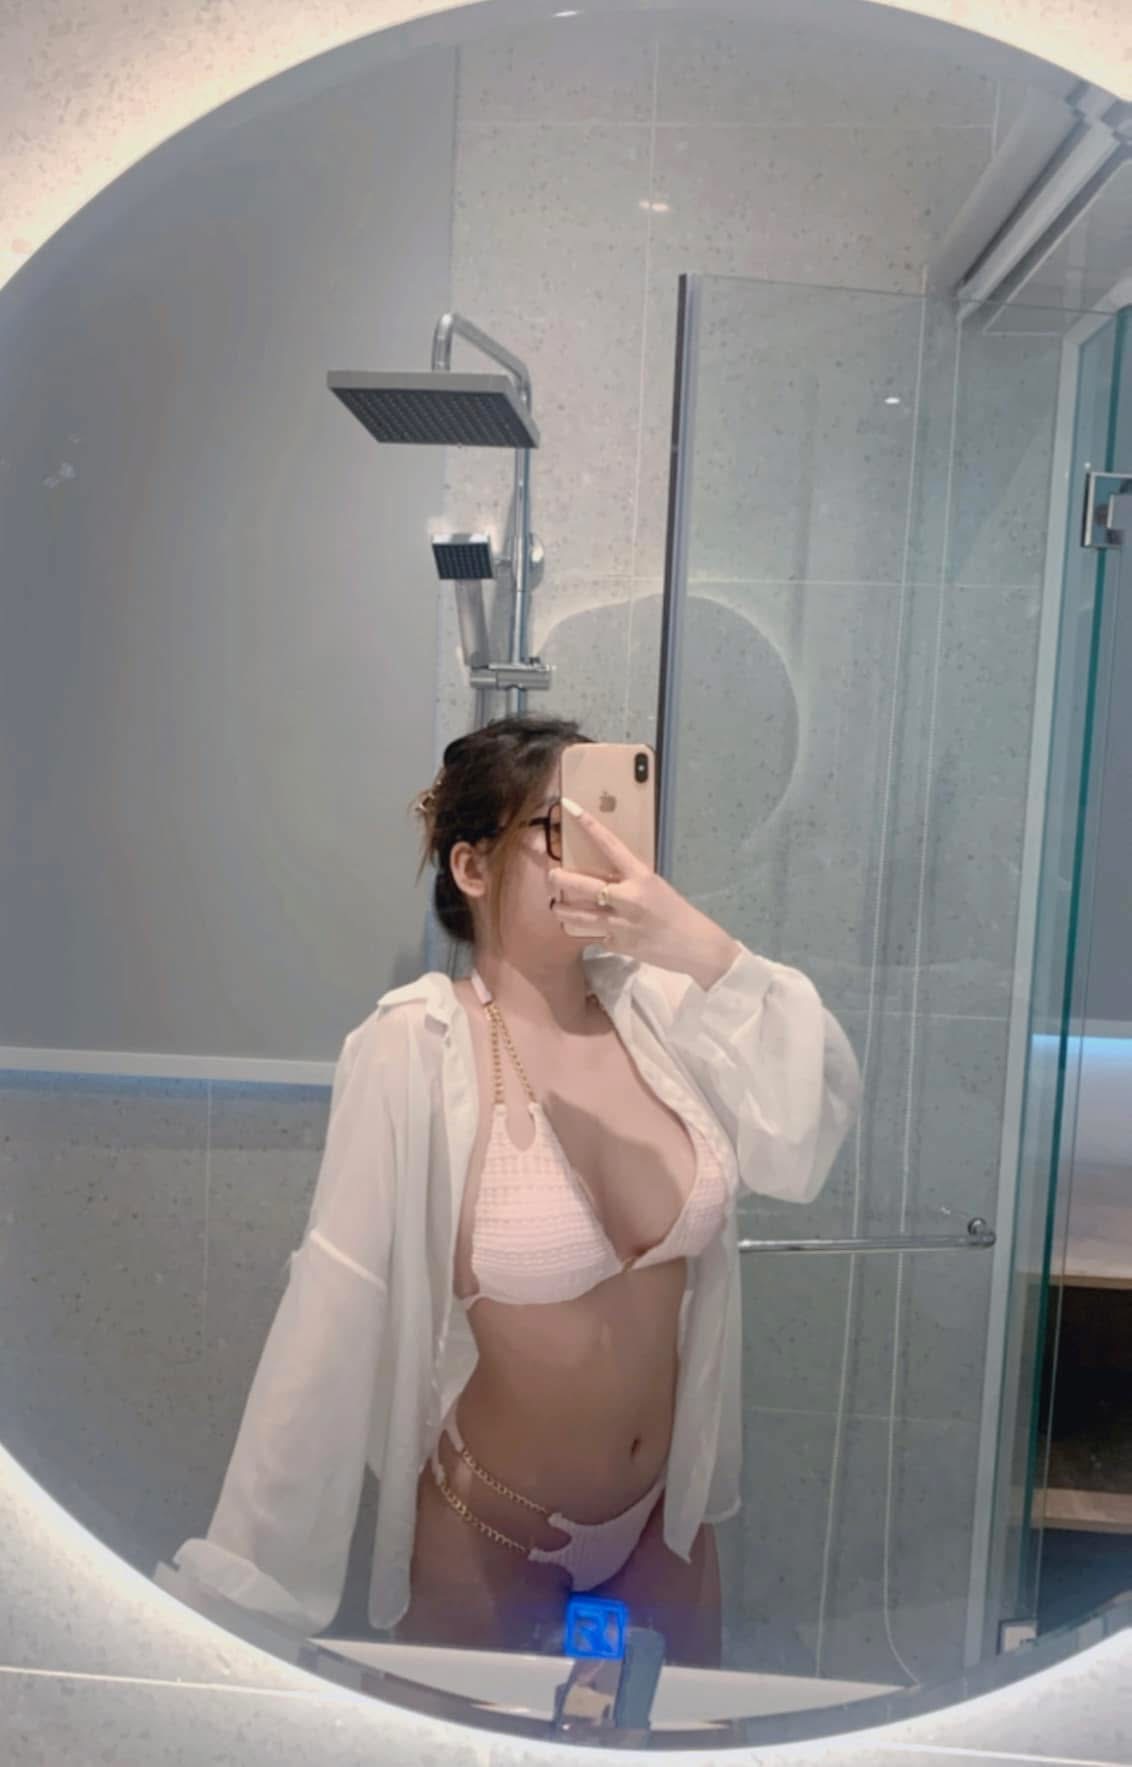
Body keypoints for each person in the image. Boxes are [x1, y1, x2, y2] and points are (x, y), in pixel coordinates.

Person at [165, 714, 859, 1665]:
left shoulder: (661, 1011)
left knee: (682, 1740)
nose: (596, 858)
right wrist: (243, 1600)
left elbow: (803, 1134)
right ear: (472, 867)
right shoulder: (415, 1048)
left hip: (662, 1528)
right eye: (559, 831)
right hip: (491, 1537)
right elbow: (330, 1312)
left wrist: (693, 944)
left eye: (607, 826)